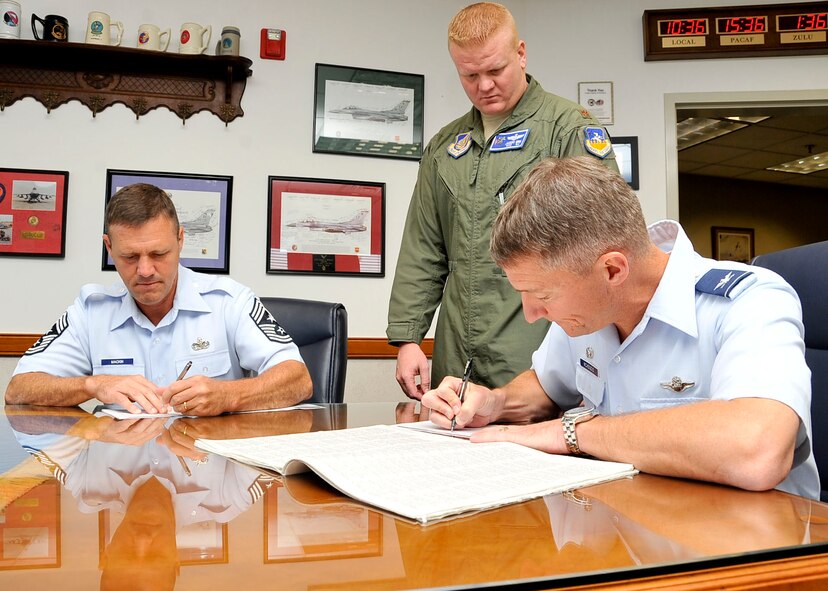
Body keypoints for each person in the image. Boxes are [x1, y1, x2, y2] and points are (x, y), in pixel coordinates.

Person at [423, 156, 819, 499]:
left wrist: (571, 433)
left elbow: (757, 450)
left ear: (613, 269)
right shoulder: (587, 306)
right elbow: (545, 386)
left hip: (746, 547)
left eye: (541, 294)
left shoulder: (749, 300)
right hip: (625, 516)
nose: (531, 313)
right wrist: (496, 403)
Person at [387, 2, 618, 400]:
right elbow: (424, 248)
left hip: (541, 348)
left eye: (495, 70)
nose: (484, 85)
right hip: (457, 352)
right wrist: (407, 339)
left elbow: (604, 239)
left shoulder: (568, 129)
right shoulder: (444, 147)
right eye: (469, 75)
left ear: (521, 54)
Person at [5, 183, 312, 415]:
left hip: (209, 475)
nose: (145, 270)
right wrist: (93, 385)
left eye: (158, 254)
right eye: (129, 256)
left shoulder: (228, 300)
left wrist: (230, 395)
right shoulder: (91, 310)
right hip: (119, 475)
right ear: (109, 248)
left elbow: (298, 379)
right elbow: (18, 389)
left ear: (180, 240)